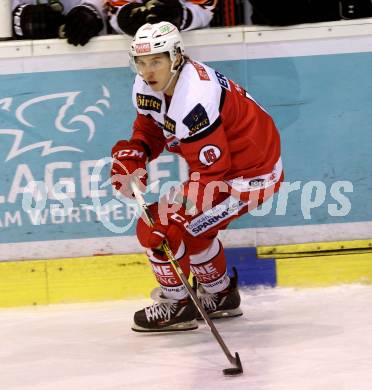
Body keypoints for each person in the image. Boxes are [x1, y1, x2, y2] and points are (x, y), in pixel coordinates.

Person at [111, 21, 284, 332]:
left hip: (251, 177)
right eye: (141, 62)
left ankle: (177, 304)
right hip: (230, 169)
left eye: (156, 61)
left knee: (159, 229)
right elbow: (151, 127)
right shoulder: (147, 86)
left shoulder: (195, 97)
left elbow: (210, 171)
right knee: (189, 231)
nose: (148, 71)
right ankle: (220, 295)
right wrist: (136, 153)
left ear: (176, 57)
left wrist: (177, 219)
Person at [12, 0, 105, 45]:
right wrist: (17, 18)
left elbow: (117, 7)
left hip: (90, 56)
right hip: (25, 63)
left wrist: (92, 10)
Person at [106, 0, 217, 36]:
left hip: (192, 45)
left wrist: (178, 15)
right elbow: (116, 8)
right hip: (138, 50)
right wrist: (129, 17)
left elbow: (206, 7)